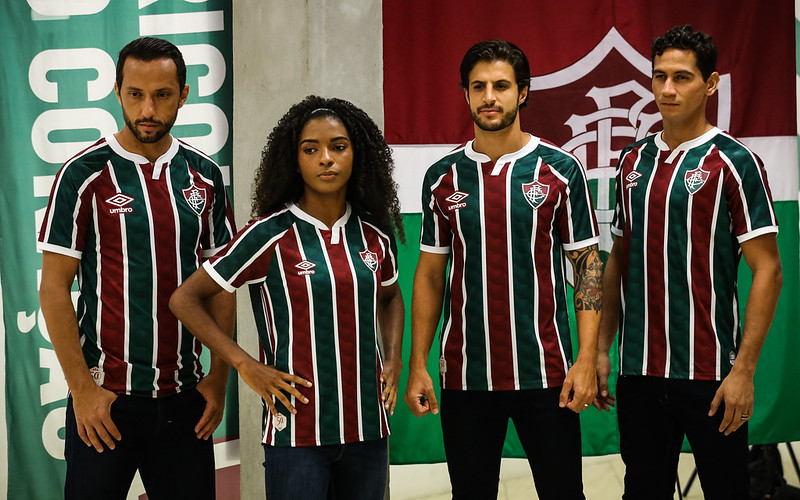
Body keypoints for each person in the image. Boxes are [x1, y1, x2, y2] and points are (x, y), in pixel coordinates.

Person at [169, 95, 405, 499]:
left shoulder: (375, 235)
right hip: (296, 434)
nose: (326, 158)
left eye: (338, 147)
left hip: (368, 429)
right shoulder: (268, 234)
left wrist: (394, 358)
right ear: (295, 161)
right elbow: (184, 299)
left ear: (357, 155)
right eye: (311, 150)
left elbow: (391, 296)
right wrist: (246, 365)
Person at [37, 37, 236, 499]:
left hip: (186, 402)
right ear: (117, 91)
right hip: (106, 403)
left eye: (162, 95)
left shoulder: (205, 176)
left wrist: (218, 379)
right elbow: (54, 288)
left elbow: (221, 286)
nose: (148, 109)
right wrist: (82, 391)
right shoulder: (82, 174)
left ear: (183, 95)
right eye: (135, 94)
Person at [404, 39, 602, 500]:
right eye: (478, 87)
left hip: (547, 373)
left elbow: (588, 269)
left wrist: (586, 360)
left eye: (501, 86)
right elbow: (430, 275)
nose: (489, 97)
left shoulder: (561, 169)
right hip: (465, 376)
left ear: (523, 92)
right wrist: (418, 364)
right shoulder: (442, 177)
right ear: (465, 94)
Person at [594, 25, 782, 499]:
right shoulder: (632, 161)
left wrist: (744, 371)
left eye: (682, 77)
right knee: (642, 491)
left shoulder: (736, 162)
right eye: (660, 76)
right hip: (638, 371)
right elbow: (618, 257)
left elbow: (768, 270)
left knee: (727, 490)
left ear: (711, 83)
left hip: (712, 374)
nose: (668, 89)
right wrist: (600, 349)